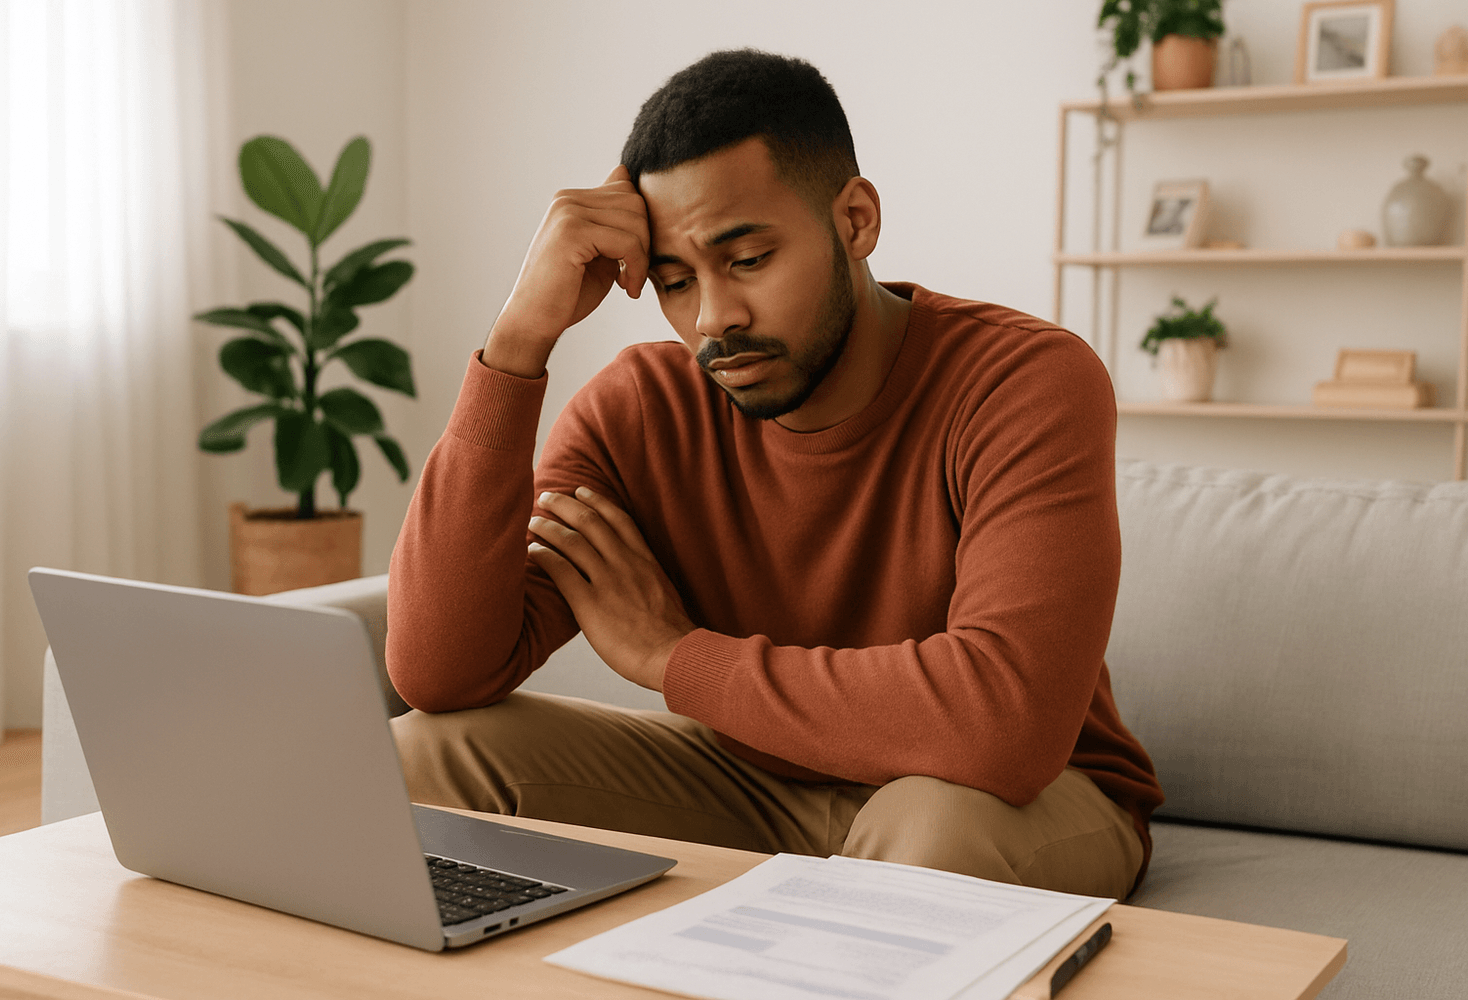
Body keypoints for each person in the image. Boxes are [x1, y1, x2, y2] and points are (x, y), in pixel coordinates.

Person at [385, 49, 1163, 899]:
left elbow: (1003, 725)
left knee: (932, 834)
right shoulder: (641, 411)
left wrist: (672, 656)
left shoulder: (1024, 380)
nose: (714, 318)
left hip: (1009, 799)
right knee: (427, 755)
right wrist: (518, 340)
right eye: (676, 281)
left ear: (856, 220)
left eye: (747, 259)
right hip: (750, 780)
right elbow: (440, 674)